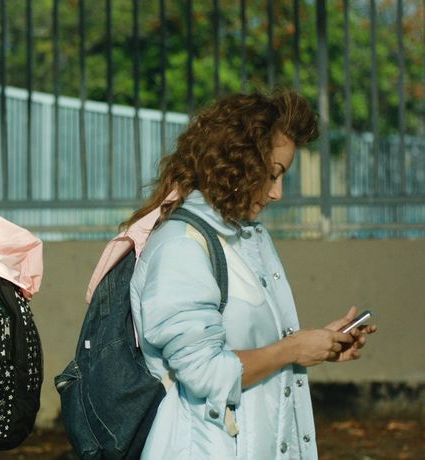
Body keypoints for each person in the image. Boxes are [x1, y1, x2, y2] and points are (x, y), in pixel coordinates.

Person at [125, 91, 377, 459]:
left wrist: (314, 346)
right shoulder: (181, 245)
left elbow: (253, 348)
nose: (277, 193)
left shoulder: (243, 238)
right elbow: (205, 372)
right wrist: (291, 349)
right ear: (236, 163)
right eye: (272, 175)